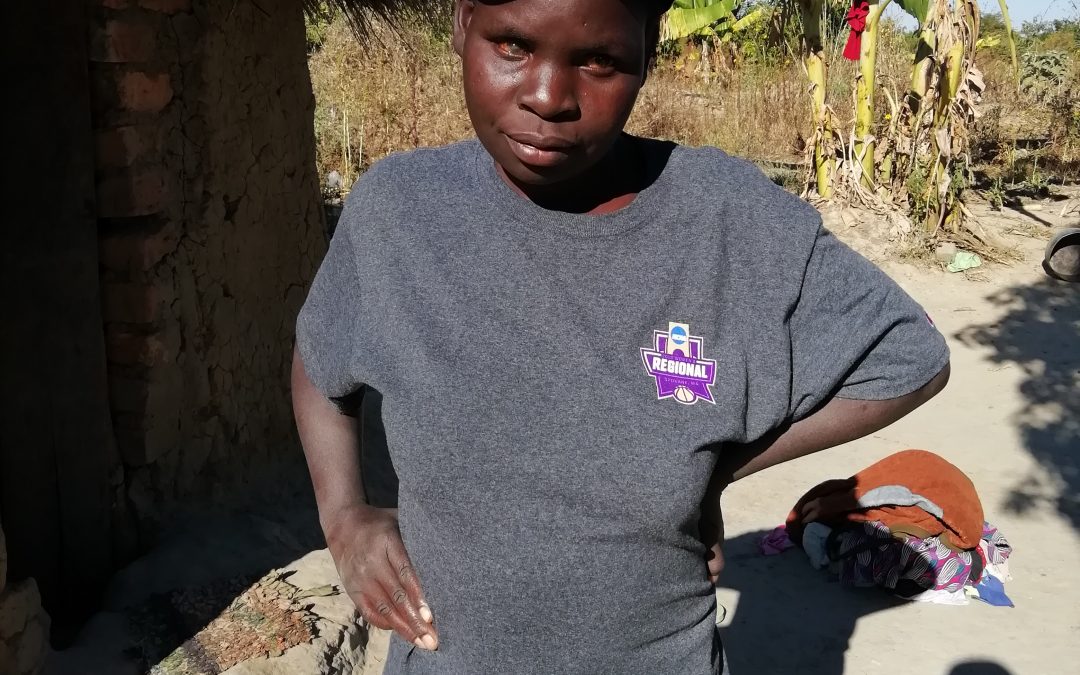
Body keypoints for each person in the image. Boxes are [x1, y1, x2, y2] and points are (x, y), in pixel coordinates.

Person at [291, 0, 951, 672]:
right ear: (464, 24)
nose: (548, 97)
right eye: (513, 46)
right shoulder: (400, 212)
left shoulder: (725, 219)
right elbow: (321, 358)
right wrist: (342, 516)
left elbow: (909, 356)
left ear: (648, 48)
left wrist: (716, 468)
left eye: (599, 60)